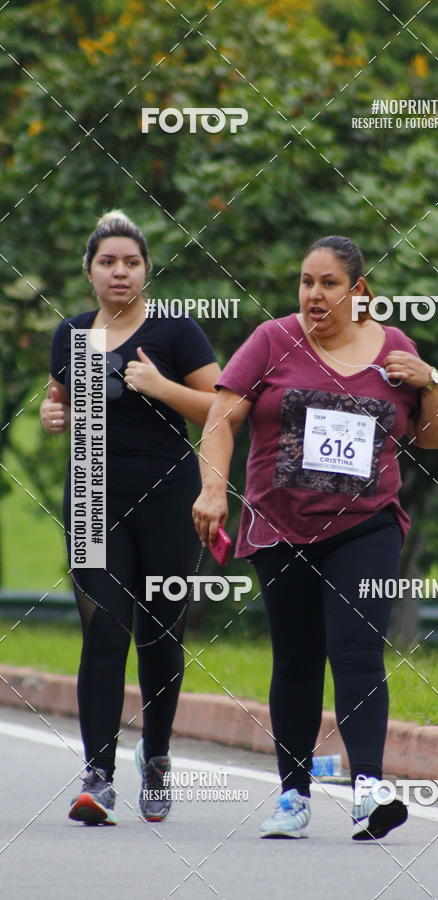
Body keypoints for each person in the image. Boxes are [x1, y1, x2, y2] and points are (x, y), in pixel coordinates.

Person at [192, 235, 438, 841]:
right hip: (282, 525)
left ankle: (368, 788)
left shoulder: (395, 348)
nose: (314, 294)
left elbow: (434, 438)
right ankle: (293, 794)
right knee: (298, 658)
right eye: (306, 282)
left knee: (358, 650)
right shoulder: (271, 341)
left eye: (329, 283)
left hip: (367, 523)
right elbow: (220, 420)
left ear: (358, 291)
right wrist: (211, 490)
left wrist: (432, 381)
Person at [40, 210, 220, 825]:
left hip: (169, 496)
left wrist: (159, 386)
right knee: (105, 628)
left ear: (147, 269)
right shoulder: (72, 333)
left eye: (132, 262)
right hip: (93, 492)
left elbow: (221, 411)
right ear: (89, 272)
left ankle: (159, 758)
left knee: (161, 633)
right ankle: (97, 775)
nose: (120, 272)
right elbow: (65, 400)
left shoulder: (175, 334)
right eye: (107, 262)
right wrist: (52, 411)